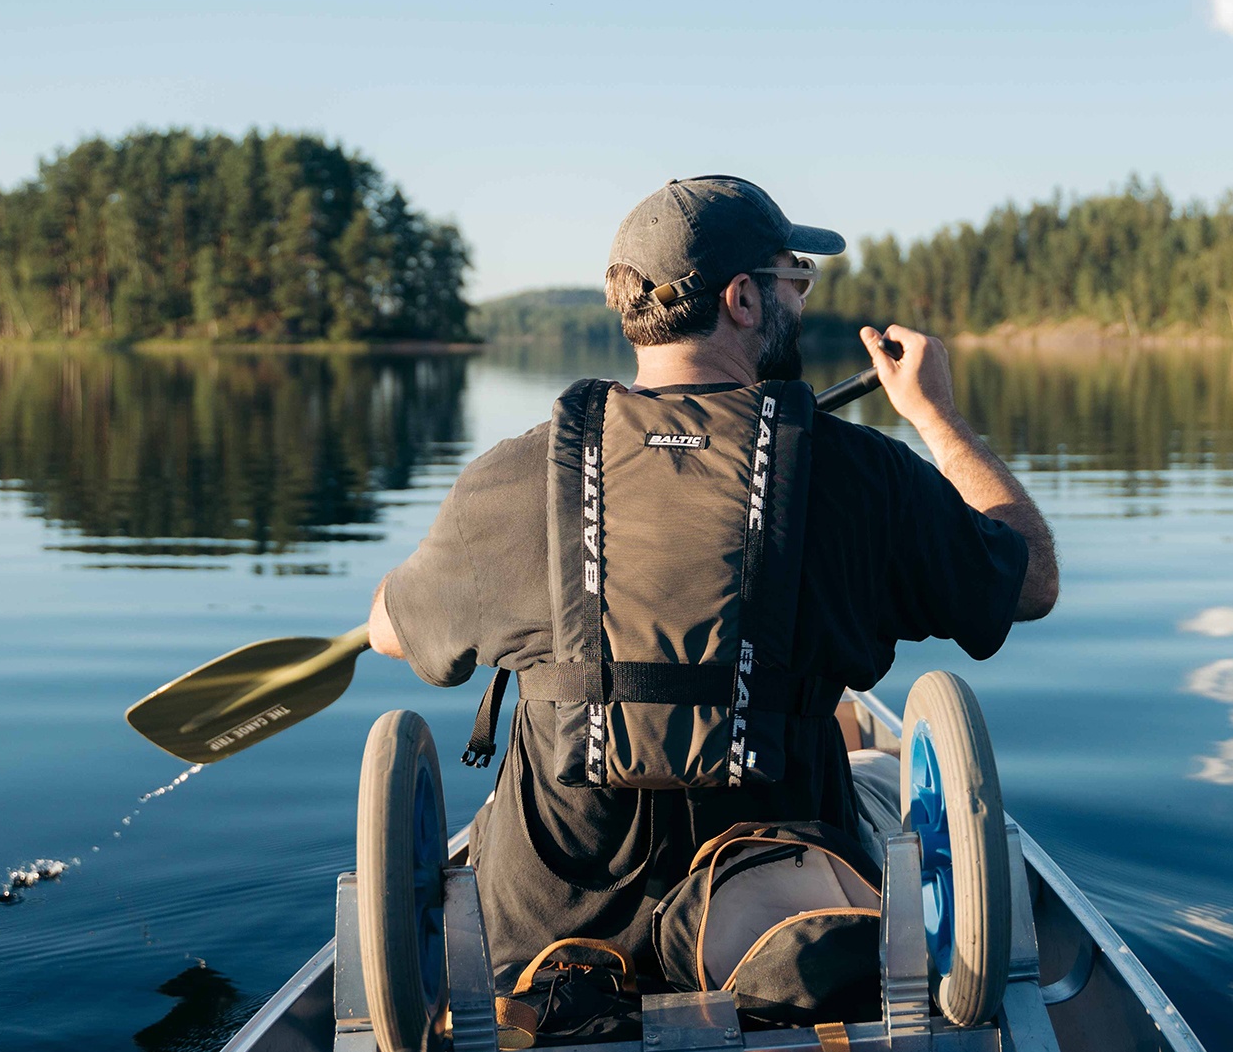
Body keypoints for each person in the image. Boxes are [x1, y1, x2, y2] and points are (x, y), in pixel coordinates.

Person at [366, 175, 1058, 986]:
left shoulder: (512, 479)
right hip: (775, 942)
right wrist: (936, 415)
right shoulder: (860, 476)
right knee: (874, 769)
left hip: (552, 954)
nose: (799, 299)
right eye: (794, 279)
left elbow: (389, 627)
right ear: (743, 299)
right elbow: (1029, 578)